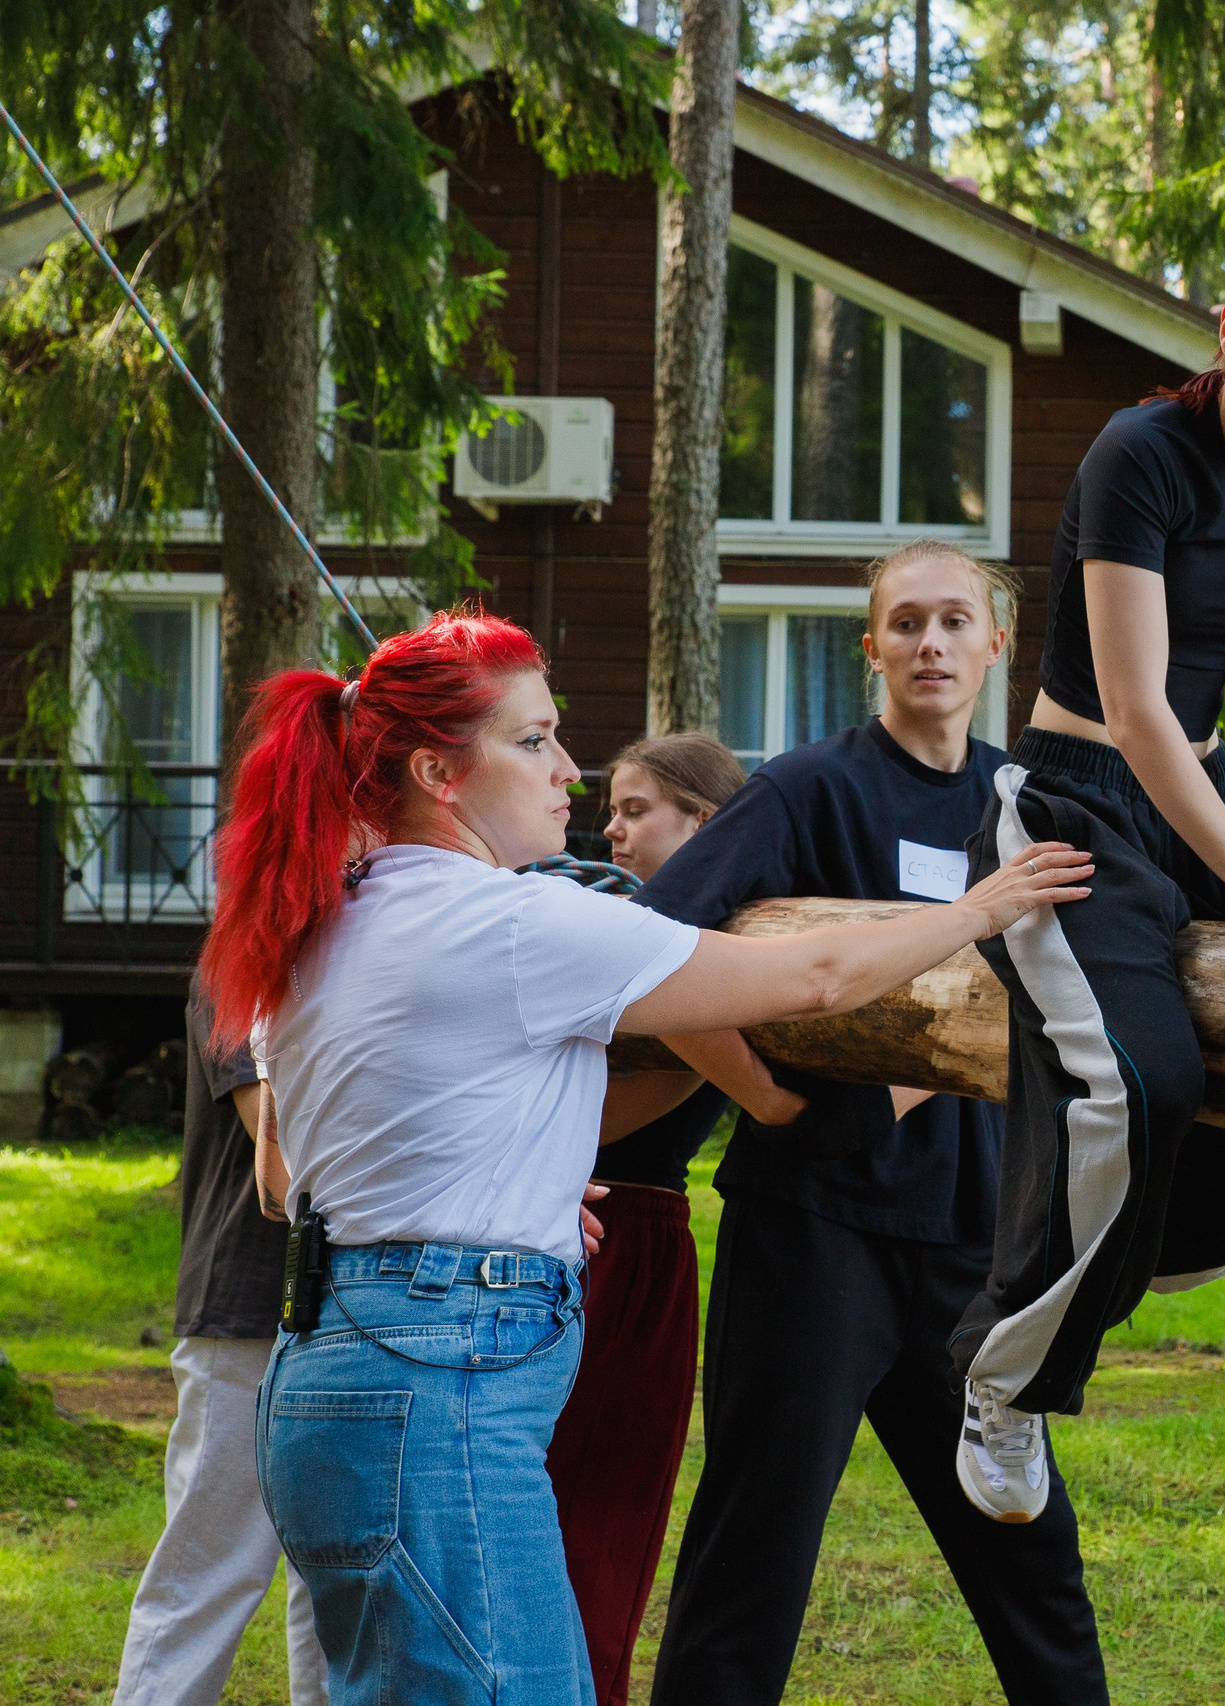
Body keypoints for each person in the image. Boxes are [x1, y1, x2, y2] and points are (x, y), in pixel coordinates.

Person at [199, 609, 1090, 1706]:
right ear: (437, 769)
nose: (567, 771)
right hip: (440, 1387)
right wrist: (984, 906)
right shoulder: (514, 924)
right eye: (532, 741)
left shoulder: (322, 917)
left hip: (334, 1371)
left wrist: (504, 1193)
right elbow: (812, 977)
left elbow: (288, 1176)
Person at [948, 230, 1225, 1521]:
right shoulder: (1137, 455)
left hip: (1202, 807)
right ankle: (1009, 1375)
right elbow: (1141, 705)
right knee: (1141, 1076)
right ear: (1223, 333)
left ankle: (1161, 1226)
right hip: (1079, 801)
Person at [638, 543, 1111, 1706]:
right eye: (905, 624)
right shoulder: (810, 789)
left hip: (977, 1252)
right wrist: (766, 1097)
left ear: (997, 645)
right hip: (813, 1234)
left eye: (955, 621)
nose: (931, 644)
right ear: (871, 649)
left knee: (1032, 1562)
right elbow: (649, 956)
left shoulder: (1033, 805)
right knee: (753, 1555)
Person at [544, 732, 791, 1706]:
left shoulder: (713, 950)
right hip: (558, 1234)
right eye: (609, 805)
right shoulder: (597, 914)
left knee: (605, 1520)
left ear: (708, 825)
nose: (611, 826)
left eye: (637, 808)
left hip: (633, 1237)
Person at [109, 971, 329, 1706]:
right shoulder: (239, 967)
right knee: (209, 1567)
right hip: (242, 1309)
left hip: (353, 1310)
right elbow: (277, 1146)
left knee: (340, 1573)